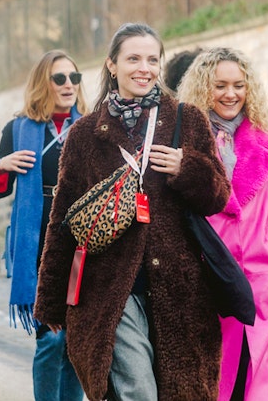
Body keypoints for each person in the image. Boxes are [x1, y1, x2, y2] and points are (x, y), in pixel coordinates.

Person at [35, 22, 231, 401]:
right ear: (112, 65)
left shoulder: (187, 119)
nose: (145, 68)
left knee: (182, 392)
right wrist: (51, 300)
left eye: (152, 59)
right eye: (133, 59)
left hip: (180, 289)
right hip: (110, 288)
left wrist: (186, 167)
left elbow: (219, 197)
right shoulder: (85, 134)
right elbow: (63, 222)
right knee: (136, 391)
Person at [177, 47, 268, 400]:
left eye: (239, 85)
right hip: (209, 281)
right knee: (214, 382)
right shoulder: (184, 145)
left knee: (259, 383)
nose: (230, 94)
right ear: (204, 88)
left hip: (262, 283)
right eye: (220, 85)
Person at [0, 49, 87, 401]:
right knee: (52, 337)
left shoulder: (89, 125)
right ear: (44, 83)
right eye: (60, 78)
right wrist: (3, 165)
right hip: (38, 241)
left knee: (73, 338)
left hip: (81, 240)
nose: (69, 84)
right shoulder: (19, 128)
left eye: (75, 78)